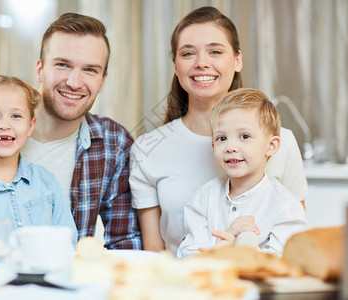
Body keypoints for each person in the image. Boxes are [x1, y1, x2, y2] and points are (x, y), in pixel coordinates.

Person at [0, 13, 141, 250]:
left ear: (103, 81)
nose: (74, 81)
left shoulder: (115, 142)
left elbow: (123, 242)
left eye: (90, 70)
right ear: (40, 69)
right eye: (62, 64)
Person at [129, 6, 307, 255]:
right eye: (188, 53)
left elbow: (294, 246)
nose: (202, 63)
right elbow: (154, 252)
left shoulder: (283, 141)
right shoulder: (147, 149)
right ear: (176, 65)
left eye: (215, 51)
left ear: (237, 60)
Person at [0, 74, 78, 245]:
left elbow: (68, 241)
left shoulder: (46, 182)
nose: (4, 125)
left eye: (16, 116)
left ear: (30, 126)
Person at [177, 88, 308, 258]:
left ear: (271, 146)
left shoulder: (286, 206)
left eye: (244, 136)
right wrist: (225, 240)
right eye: (221, 138)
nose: (230, 147)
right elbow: (186, 254)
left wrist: (241, 248)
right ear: (213, 146)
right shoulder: (204, 197)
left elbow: (285, 261)